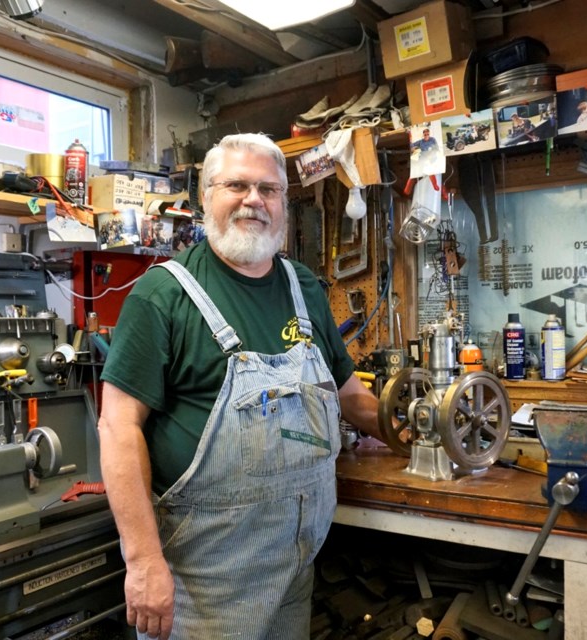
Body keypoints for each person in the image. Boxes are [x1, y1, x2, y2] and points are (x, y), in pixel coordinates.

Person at [97, 132, 383, 640]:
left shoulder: (305, 288)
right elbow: (118, 427)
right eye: (236, 185)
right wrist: (142, 561)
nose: (254, 200)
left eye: (269, 190)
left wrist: (421, 426)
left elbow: (348, 395)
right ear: (206, 196)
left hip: (295, 567)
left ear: (284, 206)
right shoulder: (162, 294)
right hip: (203, 581)